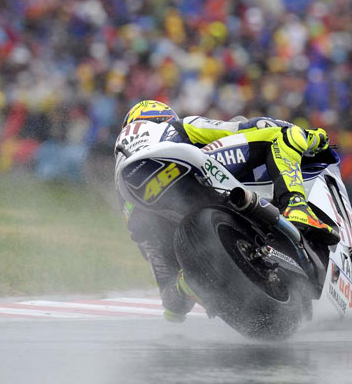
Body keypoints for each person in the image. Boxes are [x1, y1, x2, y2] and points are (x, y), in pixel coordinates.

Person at [115, 100, 339, 322]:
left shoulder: (127, 200)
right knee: (281, 136)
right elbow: (245, 127)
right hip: (184, 166)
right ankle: (297, 207)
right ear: (163, 118)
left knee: (172, 291)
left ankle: (193, 281)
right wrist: (311, 138)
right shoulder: (176, 127)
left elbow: (172, 306)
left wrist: (184, 284)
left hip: (142, 198)